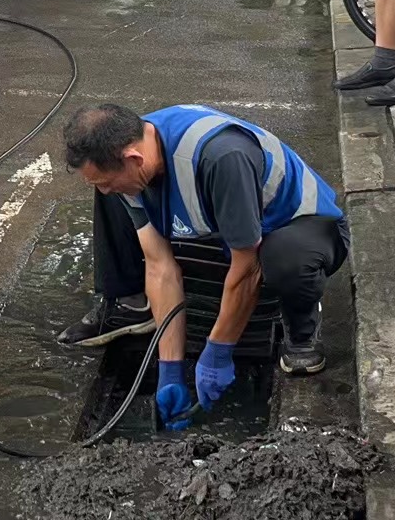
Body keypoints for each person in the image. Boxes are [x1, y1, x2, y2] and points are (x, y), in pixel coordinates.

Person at [57, 103, 348, 429]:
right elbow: (159, 267)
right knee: (111, 195)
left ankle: (302, 330)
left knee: (286, 260)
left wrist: (218, 352)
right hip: (230, 227)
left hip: (299, 225)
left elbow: (247, 270)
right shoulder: (129, 149)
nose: (105, 189)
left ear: (134, 159)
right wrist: (170, 369)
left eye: (107, 180)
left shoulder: (222, 157)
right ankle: (132, 304)